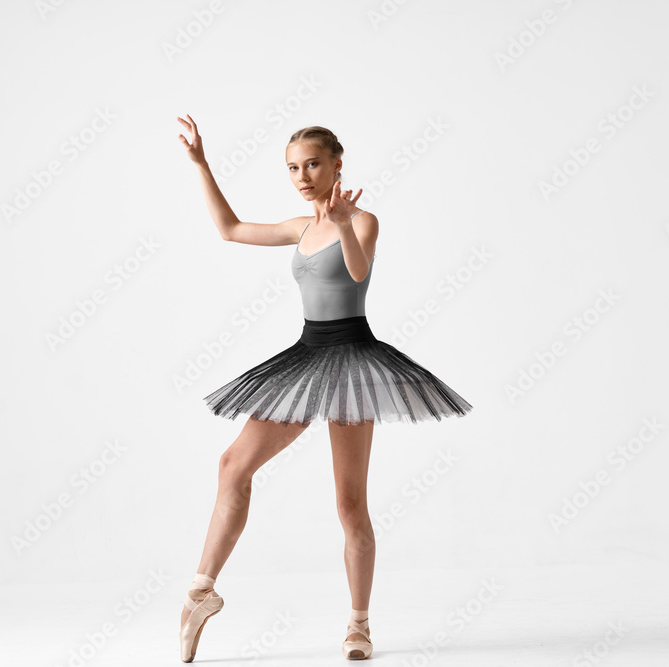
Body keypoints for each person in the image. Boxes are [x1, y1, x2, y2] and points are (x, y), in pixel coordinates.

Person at [175, 114, 473, 662]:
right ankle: (201, 590)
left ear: (338, 164)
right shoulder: (299, 226)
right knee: (231, 465)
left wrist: (340, 221)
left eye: (312, 164)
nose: (303, 175)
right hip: (306, 356)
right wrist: (201, 164)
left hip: (354, 360)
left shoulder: (363, 220)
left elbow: (359, 274)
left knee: (349, 503)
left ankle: (359, 624)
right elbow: (230, 229)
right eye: (293, 168)